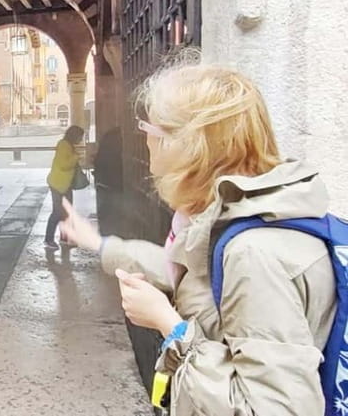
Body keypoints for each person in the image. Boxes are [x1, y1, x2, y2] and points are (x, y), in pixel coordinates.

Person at [59, 62, 337, 415]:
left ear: (186, 145)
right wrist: (102, 245)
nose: (144, 137)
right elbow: (192, 273)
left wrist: (170, 327)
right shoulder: (241, 213)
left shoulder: (253, 254)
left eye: (149, 126)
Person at [44, 125, 85, 249]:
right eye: (80, 137)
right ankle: (48, 239)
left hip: (65, 184)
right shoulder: (63, 145)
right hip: (58, 184)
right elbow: (64, 165)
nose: (81, 139)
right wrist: (76, 157)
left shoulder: (68, 145)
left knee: (66, 212)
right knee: (57, 212)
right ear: (74, 135)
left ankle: (64, 238)